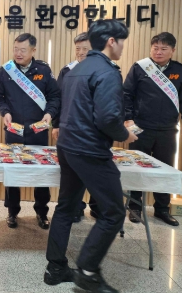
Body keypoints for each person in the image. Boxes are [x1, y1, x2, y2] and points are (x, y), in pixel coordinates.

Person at [45, 20, 138, 293]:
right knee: (114, 212)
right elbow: (108, 118)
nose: (122, 47)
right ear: (111, 41)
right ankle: (87, 272)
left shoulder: (78, 69)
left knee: (65, 207)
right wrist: (124, 134)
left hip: (68, 147)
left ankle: (55, 269)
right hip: (89, 149)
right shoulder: (107, 72)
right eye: (122, 41)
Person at [124, 32, 182, 226]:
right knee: (137, 167)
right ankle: (135, 206)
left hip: (167, 129)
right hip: (140, 127)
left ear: (173, 50)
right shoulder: (140, 67)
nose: (159, 52)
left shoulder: (180, 70)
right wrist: (128, 118)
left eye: (164, 48)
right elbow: (126, 94)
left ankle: (162, 209)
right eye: (155, 48)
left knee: (165, 169)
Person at [0, 33, 60, 230]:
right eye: (15, 49)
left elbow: (55, 96)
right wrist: (4, 112)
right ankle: (12, 211)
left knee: (41, 173)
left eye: (22, 50)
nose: (18, 53)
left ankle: (41, 212)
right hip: (14, 130)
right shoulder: (6, 71)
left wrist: (49, 114)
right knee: (12, 172)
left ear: (33, 50)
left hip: (38, 131)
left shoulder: (43, 70)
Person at [52, 32, 99, 223]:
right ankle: (75, 207)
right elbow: (58, 99)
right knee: (71, 171)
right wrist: (56, 125)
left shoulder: (103, 71)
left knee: (95, 170)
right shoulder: (67, 70)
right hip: (70, 130)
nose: (80, 52)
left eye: (85, 49)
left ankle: (97, 207)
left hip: (94, 131)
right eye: (77, 49)